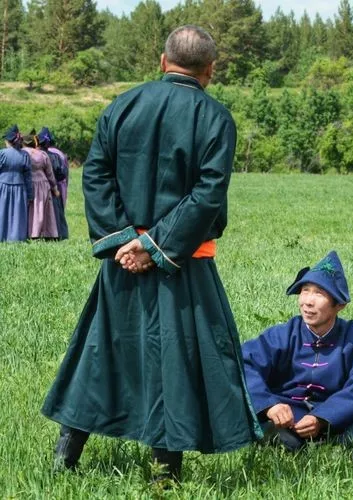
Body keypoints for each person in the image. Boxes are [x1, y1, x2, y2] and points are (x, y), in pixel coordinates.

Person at [41, 25, 262, 483]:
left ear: (163, 62)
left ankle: (66, 458)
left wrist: (125, 241)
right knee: (175, 361)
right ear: (210, 71)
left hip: (124, 260)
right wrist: (153, 246)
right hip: (181, 261)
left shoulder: (121, 106)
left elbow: (95, 175)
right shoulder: (216, 118)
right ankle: (164, 477)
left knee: (103, 353)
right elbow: (207, 195)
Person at [242, 250, 353, 451]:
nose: (308, 301)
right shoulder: (282, 335)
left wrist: (323, 418)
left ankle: (345, 453)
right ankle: (285, 442)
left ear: (339, 305)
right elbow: (245, 364)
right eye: (305, 290)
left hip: (337, 424)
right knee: (246, 411)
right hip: (286, 421)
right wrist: (270, 405)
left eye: (319, 293)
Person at [23, 129, 59, 240]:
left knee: (31, 209)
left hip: (28, 183)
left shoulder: (23, 153)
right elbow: (50, 174)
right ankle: (46, 233)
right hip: (43, 184)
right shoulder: (43, 154)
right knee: (41, 209)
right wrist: (55, 188)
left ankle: (30, 233)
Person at [0, 125, 33, 242]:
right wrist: (30, 195)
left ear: (7, 141)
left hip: (2, 186)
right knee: (17, 214)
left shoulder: (2, 154)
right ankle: (16, 238)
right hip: (20, 188)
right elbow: (28, 177)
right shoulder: (24, 155)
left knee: (2, 211)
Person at [37, 127, 68, 239]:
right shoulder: (55, 156)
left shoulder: (36, 155)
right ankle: (59, 234)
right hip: (53, 188)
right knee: (56, 213)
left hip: (39, 188)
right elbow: (62, 174)